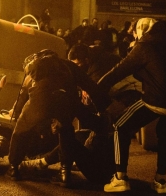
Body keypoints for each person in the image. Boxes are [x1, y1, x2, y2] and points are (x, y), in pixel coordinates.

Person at [97, 17, 166, 194]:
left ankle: (120, 178)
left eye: (135, 32)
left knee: (119, 126)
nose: (135, 36)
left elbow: (117, 72)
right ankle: (160, 181)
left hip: (158, 100)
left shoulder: (144, 47)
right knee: (165, 134)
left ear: (141, 30)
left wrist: (95, 90)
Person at [6, 49, 106, 187]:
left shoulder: (35, 70)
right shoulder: (67, 66)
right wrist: (104, 106)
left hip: (40, 99)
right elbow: (89, 85)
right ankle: (65, 174)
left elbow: (23, 93)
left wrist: (16, 113)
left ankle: (14, 169)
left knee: (21, 129)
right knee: (66, 131)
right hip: (64, 98)